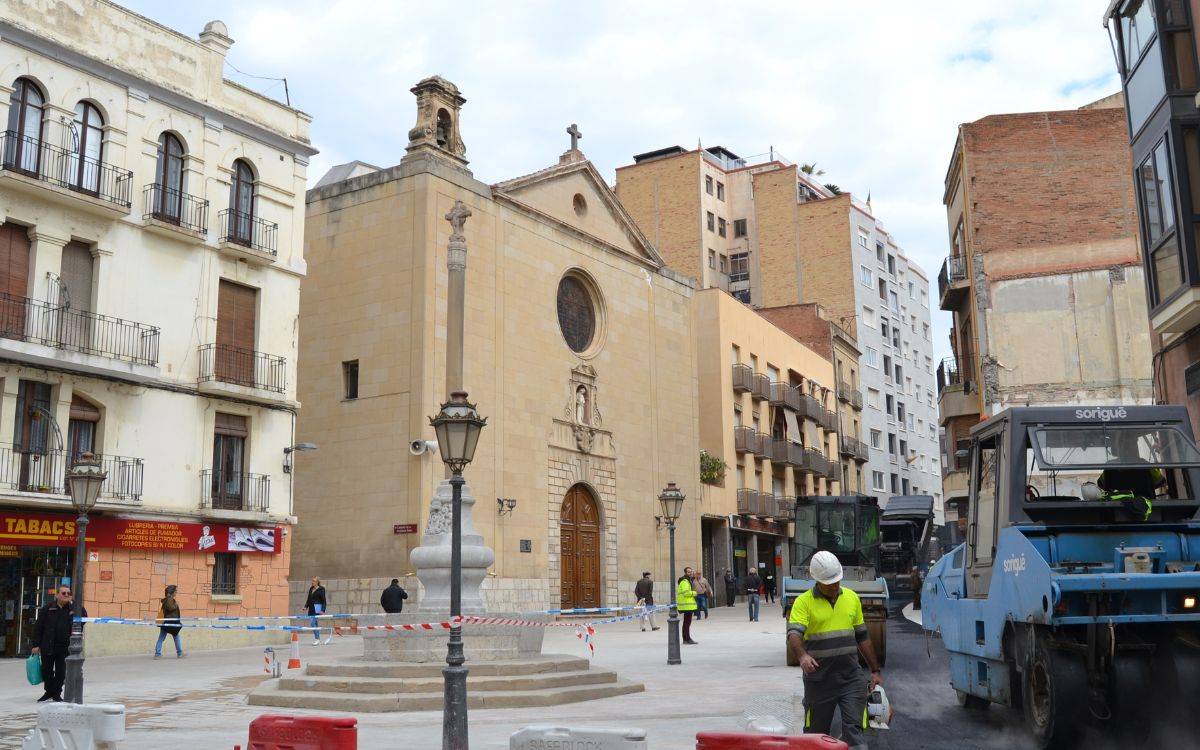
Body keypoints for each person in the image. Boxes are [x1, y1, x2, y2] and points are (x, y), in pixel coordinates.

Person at [788, 550, 883, 750]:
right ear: (816, 580)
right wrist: (802, 655)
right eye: (829, 583)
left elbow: (862, 636)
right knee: (816, 735)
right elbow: (794, 634)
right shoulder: (803, 602)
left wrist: (874, 670)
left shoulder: (851, 598)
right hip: (819, 681)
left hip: (851, 678)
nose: (834, 586)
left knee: (854, 731)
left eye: (837, 581)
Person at [31, 585, 84, 702]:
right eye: (64, 593)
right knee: (46, 671)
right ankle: (49, 692)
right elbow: (38, 627)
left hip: (64, 647)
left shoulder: (72, 608)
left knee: (61, 673)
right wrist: (35, 644)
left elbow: (84, 616)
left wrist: (74, 603)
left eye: (68, 593)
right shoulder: (47, 608)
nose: (66, 595)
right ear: (57, 595)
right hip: (48, 645)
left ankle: (56, 693)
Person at [154, 584, 183, 659]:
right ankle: (179, 653)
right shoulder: (169, 599)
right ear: (172, 592)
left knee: (161, 638)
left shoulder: (167, 599)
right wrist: (176, 605)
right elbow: (171, 608)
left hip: (166, 622)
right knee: (176, 636)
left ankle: (157, 653)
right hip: (171, 623)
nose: (176, 592)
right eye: (175, 591)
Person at [676, 566, 698, 645]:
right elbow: (686, 593)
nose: (691, 573)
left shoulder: (688, 580)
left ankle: (686, 639)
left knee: (686, 623)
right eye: (689, 572)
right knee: (687, 623)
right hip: (686, 605)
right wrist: (694, 593)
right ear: (685, 573)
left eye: (691, 571)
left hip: (687, 605)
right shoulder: (685, 581)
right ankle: (687, 639)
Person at [303, 577, 327, 645]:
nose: (312, 582)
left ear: (317, 582)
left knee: (313, 623)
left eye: (314, 581)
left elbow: (324, 601)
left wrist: (323, 610)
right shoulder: (311, 588)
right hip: (311, 608)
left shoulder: (321, 589)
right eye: (312, 581)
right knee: (315, 624)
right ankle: (318, 638)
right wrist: (305, 607)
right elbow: (309, 599)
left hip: (317, 608)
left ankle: (317, 639)